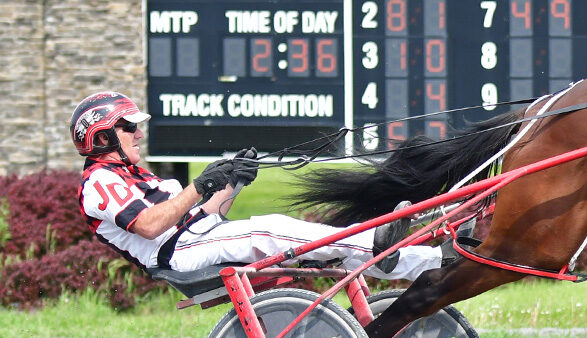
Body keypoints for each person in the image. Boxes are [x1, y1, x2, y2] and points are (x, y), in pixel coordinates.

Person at [72, 91, 445, 281]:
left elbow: (206, 217)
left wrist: (233, 182)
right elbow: (150, 225)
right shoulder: (100, 182)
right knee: (269, 230)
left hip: (194, 239)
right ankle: (375, 240)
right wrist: (199, 185)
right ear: (101, 137)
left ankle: (431, 264)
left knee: (325, 248)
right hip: (176, 254)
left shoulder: (137, 176)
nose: (138, 134)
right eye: (129, 127)